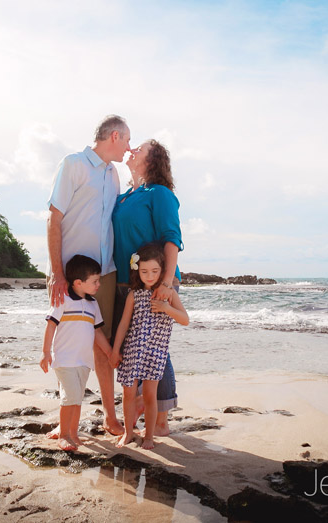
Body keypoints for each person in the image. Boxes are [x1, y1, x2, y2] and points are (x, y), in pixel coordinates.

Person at [47, 114, 131, 436]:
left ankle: (110, 417)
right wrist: (57, 274)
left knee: (101, 343)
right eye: (126, 140)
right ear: (113, 136)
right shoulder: (73, 164)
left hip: (105, 272)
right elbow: (54, 218)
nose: (128, 147)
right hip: (69, 274)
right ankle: (64, 421)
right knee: (67, 344)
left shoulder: (113, 176)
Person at [111, 139, 182, 435]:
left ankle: (161, 418)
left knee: (156, 347)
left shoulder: (159, 193)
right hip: (127, 282)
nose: (132, 150)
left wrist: (165, 284)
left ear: (153, 160)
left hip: (156, 280)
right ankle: (141, 404)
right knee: (134, 344)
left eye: (139, 148)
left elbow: (172, 238)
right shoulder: (127, 195)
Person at [109, 242, 188, 449]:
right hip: (133, 351)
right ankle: (127, 433)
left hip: (155, 353)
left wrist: (165, 308)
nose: (150, 276)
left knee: (150, 395)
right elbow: (124, 324)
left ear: (162, 271)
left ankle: (150, 436)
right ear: (137, 271)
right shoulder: (134, 295)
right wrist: (116, 350)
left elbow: (185, 319)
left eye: (154, 271)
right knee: (128, 393)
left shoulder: (168, 295)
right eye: (144, 271)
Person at [40, 254, 113, 451]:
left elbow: (97, 332)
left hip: (84, 361)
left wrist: (109, 353)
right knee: (70, 396)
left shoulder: (93, 304)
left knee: (77, 398)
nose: (99, 284)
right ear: (79, 282)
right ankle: (63, 434)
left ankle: (73, 433)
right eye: (95, 281)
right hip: (64, 359)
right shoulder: (62, 299)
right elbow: (50, 325)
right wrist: (46, 352)